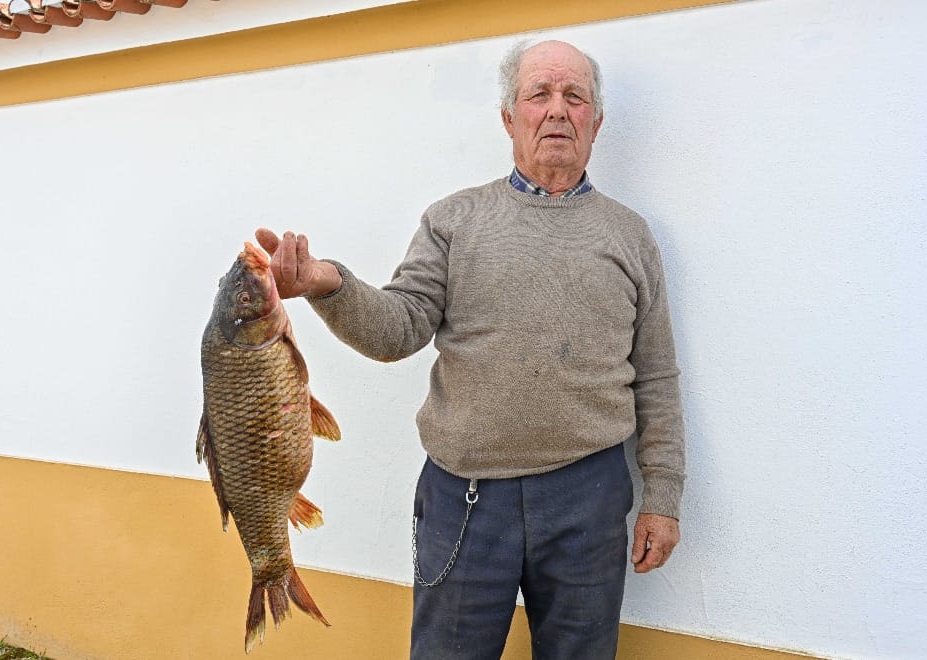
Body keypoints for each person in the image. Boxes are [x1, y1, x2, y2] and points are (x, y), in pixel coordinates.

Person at [256, 39, 685, 660]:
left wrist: (663, 497)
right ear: (510, 117)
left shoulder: (630, 235)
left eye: (575, 96)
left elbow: (657, 377)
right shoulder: (453, 220)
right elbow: (398, 328)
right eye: (539, 94)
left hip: (589, 496)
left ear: (597, 120)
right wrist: (328, 284)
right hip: (465, 495)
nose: (557, 110)